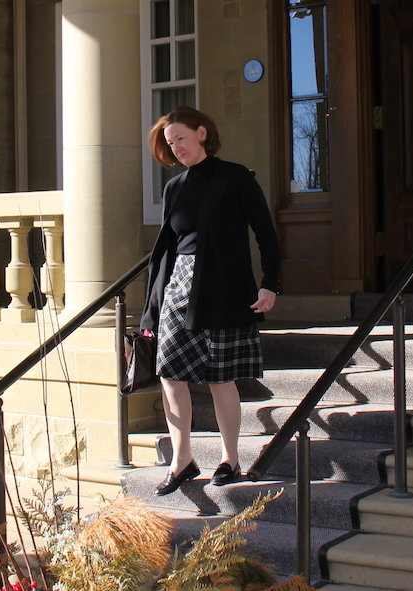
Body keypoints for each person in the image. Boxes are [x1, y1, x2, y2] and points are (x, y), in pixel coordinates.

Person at [140, 106, 281, 496]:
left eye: (181, 139)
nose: (176, 148)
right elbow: (165, 251)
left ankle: (229, 458)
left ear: (202, 133)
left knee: (221, 378)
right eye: (170, 144)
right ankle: (182, 459)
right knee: (169, 372)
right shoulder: (175, 188)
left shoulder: (236, 177)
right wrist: (151, 308)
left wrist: (270, 284)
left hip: (223, 285)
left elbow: (265, 233)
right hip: (179, 288)